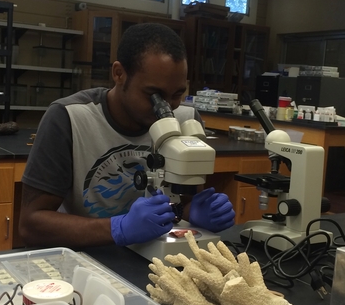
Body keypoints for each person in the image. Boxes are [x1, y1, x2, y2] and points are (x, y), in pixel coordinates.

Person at [19, 22, 235, 248]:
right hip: (92, 257)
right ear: (119, 74)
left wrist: (196, 213)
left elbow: (184, 202)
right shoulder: (69, 118)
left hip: (160, 256)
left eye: (177, 94)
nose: (167, 109)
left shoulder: (187, 118)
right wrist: (118, 228)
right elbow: (31, 225)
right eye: (154, 95)